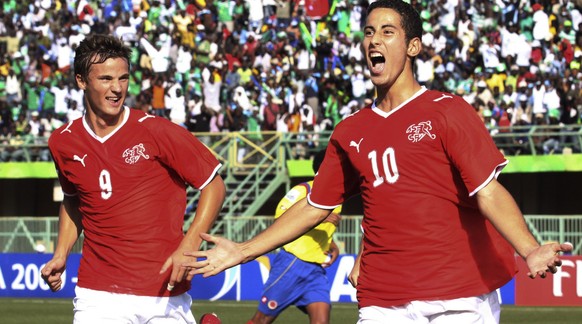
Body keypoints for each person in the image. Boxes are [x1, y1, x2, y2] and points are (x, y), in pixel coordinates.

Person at [184, 1, 573, 323]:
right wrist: (242, 251)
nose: (375, 39)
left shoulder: (447, 111)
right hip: (382, 298)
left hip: (458, 295)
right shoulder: (349, 130)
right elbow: (318, 206)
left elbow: (487, 192)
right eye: (369, 32)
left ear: (413, 46)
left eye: (388, 31)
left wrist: (529, 248)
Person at [40, 34, 226, 323]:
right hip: (98, 294)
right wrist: (61, 253)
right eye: (105, 79)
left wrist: (190, 243)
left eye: (123, 78)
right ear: (81, 81)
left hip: (165, 291)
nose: (117, 89)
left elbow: (213, 185)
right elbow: (73, 200)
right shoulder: (62, 142)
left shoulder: (158, 131)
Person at [248, 148, 341, 324]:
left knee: (321, 321)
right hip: (292, 263)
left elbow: (321, 231)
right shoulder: (304, 190)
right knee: (261, 320)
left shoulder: (337, 198)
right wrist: (317, 216)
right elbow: (280, 216)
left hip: (315, 270)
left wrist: (332, 244)